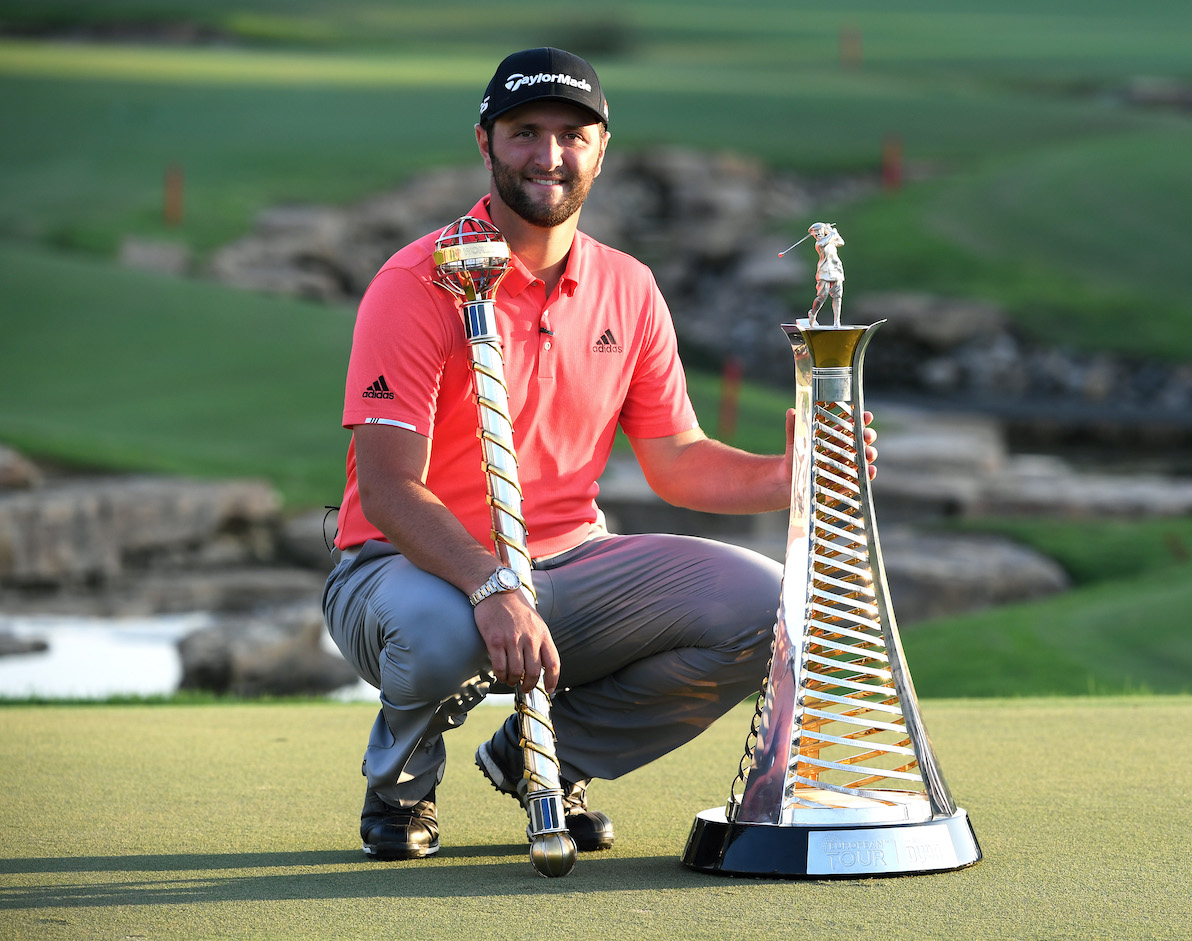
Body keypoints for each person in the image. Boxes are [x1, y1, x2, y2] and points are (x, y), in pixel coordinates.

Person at [322, 46, 877, 861]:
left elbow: (677, 460)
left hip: (572, 562)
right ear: (485, 142)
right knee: (447, 636)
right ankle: (401, 787)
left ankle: (546, 756)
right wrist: (492, 582)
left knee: (770, 611)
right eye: (524, 133)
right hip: (402, 570)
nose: (549, 156)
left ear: (602, 150)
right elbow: (390, 490)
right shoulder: (416, 281)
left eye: (572, 136)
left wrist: (794, 477)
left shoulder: (629, 286)